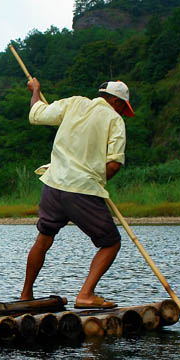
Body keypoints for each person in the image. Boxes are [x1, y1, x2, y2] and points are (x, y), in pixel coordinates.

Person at [20, 78, 134, 308]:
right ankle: (85, 295)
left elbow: (36, 114)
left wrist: (35, 91)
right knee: (111, 243)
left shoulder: (73, 103)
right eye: (122, 106)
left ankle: (25, 295)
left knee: (43, 239)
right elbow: (113, 165)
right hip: (81, 189)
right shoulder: (114, 119)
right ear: (115, 101)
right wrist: (96, 181)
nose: (122, 111)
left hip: (53, 185)